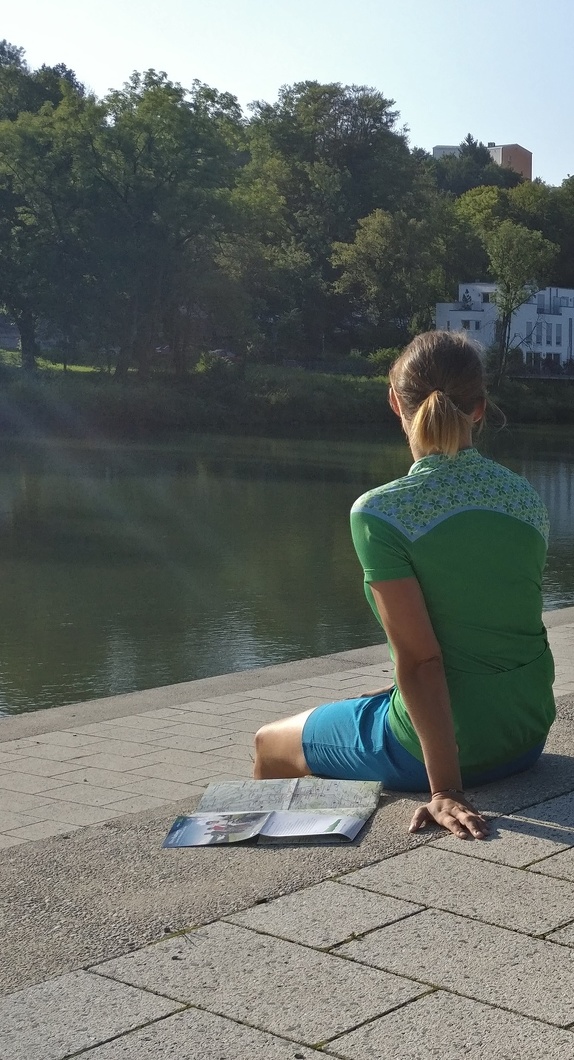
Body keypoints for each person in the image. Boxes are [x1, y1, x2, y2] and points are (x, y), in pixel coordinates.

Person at [253, 331, 556, 840]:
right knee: (368, 702)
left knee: (268, 742)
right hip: (526, 733)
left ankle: (270, 873)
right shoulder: (523, 493)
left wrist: (445, 790)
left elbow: (422, 661)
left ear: (395, 402)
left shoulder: (382, 511)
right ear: (479, 409)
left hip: (443, 753)